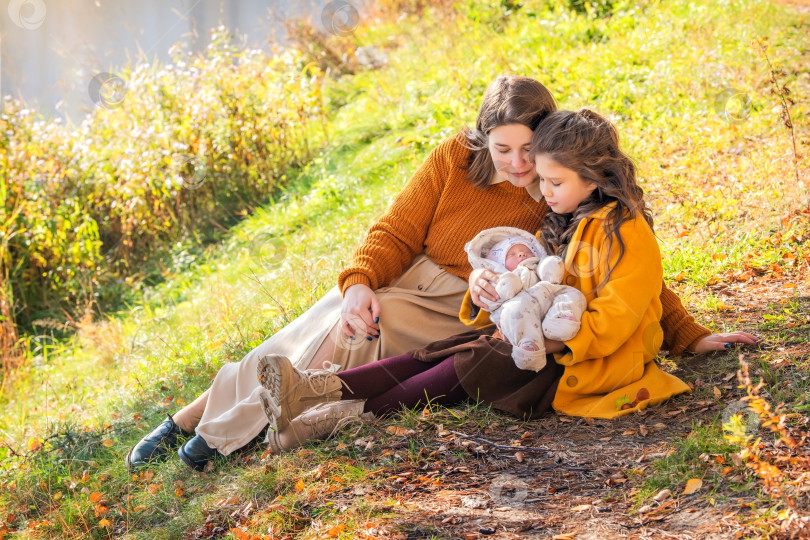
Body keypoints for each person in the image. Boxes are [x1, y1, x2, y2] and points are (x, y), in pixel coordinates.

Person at [126, 77, 757, 470]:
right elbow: (395, 232)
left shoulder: (559, 187)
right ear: (482, 139)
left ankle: (213, 436)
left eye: (527, 150)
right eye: (501, 148)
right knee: (322, 316)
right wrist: (360, 284)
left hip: (469, 299)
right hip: (412, 278)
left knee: (338, 340)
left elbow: (632, 268)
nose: (516, 164)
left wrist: (688, 333)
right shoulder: (454, 162)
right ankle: (189, 418)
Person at [256, 108, 760, 440]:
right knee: (443, 350)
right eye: (541, 179)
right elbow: (528, 276)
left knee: (472, 362)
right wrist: (489, 295)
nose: (543, 189)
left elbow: (630, 305)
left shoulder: (626, 233)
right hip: (537, 341)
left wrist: (688, 337)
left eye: (553, 181)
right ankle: (314, 391)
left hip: (583, 360)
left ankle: (332, 420)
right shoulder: (567, 217)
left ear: (596, 176)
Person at [465, 227, 586, 371]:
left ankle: (560, 321)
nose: (522, 253)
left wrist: (550, 266)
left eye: (526, 250)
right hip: (519, 314)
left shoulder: (537, 268)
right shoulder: (503, 278)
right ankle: (529, 347)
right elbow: (490, 300)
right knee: (516, 310)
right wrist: (478, 275)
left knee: (573, 294)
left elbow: (551, 273)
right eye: (511, 254)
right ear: (499, 264)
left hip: (546, 299)